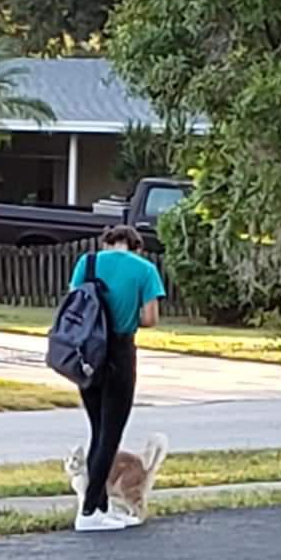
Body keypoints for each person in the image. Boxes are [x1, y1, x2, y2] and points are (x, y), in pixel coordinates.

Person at [69, 225, 166, 532]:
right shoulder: (146, 270)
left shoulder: (88, 262)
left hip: (87, 352)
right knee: (111, 434)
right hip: (120, 351)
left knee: (97, 428)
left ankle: (100, 505)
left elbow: (74, 303)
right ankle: (88, 512)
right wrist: (125, 314)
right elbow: (150, 318)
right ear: (136, 247)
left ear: (107, 242)